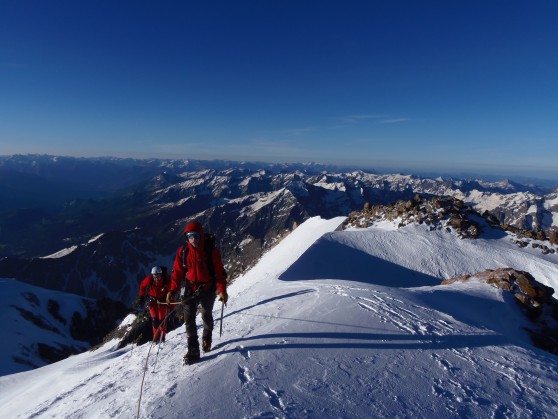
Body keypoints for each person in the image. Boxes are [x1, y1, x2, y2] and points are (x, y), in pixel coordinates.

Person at [167, 221, 228, 364]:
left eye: (195, 236)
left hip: (207, 288)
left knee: (206, 314)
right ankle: (193, 350)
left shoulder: (211, 251)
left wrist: (222, 290)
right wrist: (172, 290)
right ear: (186, 238)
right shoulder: (183, 252)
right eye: (189, 237)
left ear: (200, 236)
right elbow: (177, 273)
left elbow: (219, 273)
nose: (193, 240)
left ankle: (207, 337)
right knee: (189, 318)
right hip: (190, 288)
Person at [135, 266, 171, 343]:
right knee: (155, 320)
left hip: (162, 301)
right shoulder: (149, 280)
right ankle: (155, 337)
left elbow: (170, 291)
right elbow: (142, 285)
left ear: (161, 274)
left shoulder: (165, 280)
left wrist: (170, 303)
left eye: (158, 276)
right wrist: (141, 297)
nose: (156, 278)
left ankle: (162, 336)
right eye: (154, 276)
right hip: (152, 301)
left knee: (162, 320)